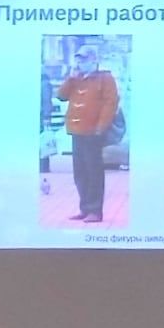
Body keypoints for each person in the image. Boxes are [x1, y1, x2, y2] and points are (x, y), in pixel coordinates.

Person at [55, 44, 119, 223]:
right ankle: (84, 208)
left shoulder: (105, 78)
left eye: (84, 59)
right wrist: (71, 78)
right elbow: (61, 96)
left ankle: (95, 211)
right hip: (77, 130)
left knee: (93, 172)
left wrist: (102, 125)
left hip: (94, 131)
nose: (80, 63)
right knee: (80, 172)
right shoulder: (77, 78)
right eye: (78, 60)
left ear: (93, 60)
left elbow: (110, 103)